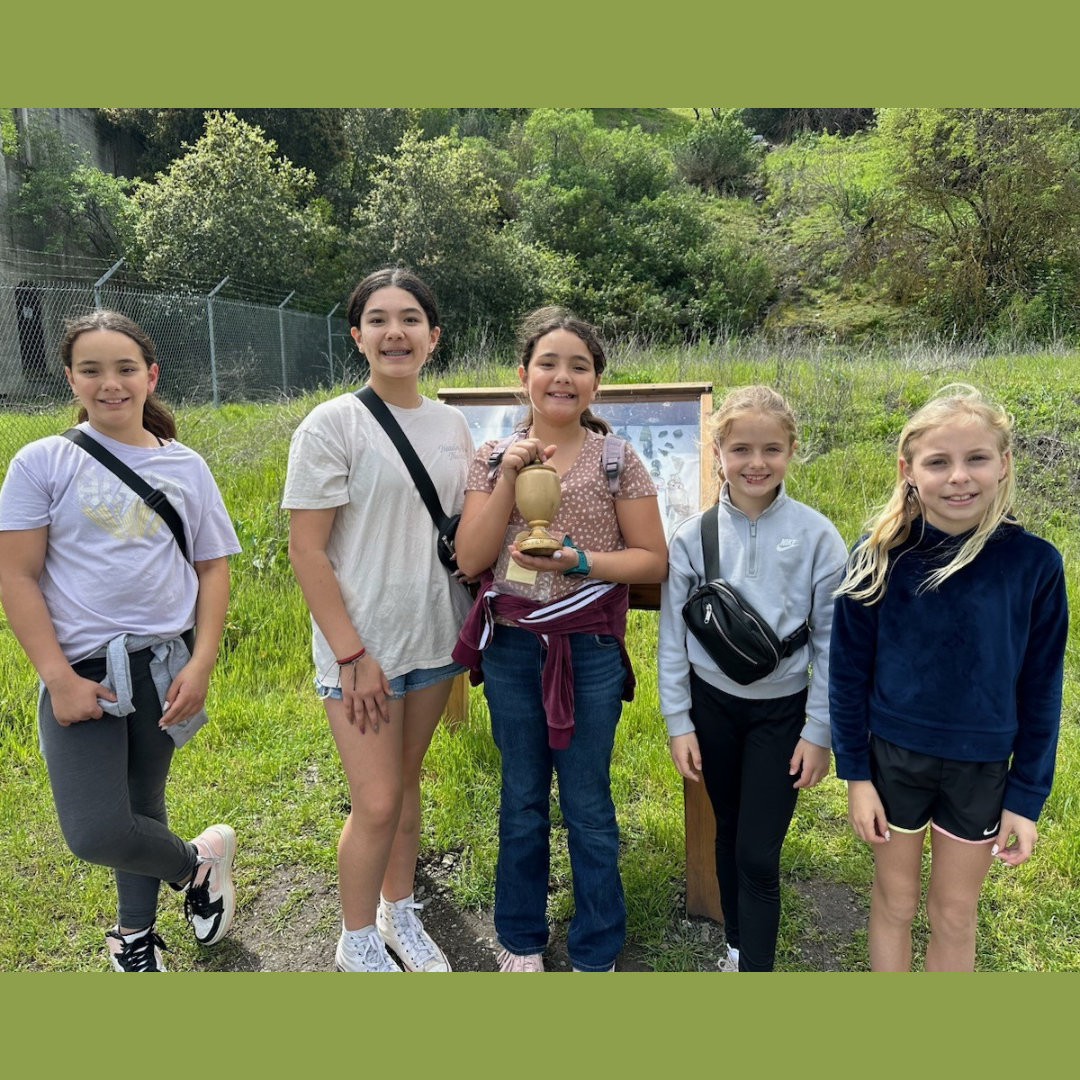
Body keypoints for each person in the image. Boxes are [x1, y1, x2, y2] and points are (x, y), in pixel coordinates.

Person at [0, 311, 241, 973]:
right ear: (72, 379)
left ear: (151, 375)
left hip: (164, 666)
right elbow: (15, 573)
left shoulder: (184, 466)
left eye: (125, 368)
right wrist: (57, 677)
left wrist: (202, 660)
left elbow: (212, 566)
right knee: (96, 831)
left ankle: (134, 937)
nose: (111, 383)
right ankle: (197, 865)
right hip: (82, 671)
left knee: (141, 803)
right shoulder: (41, 462)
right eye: (92, 370)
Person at [453, 307, 667, 973]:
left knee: (587, 803)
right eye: (549, 363)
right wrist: (511, 475)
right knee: (520, 799)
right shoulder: (490, 458)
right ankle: (520, 938)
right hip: (512, 648)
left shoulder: (616, 460)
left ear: (596, 383)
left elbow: (652, 561)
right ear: (523, 376)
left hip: (589, 652)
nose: (562, 376)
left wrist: (581, 563)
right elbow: (472, 557)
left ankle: (596, 945)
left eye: (579, 365)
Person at [830, 383, 1067, 972]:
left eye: (976, 458)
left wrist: (1027, 797)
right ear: (909, 471)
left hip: (982, 767)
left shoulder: (1035, 564)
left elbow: (1042, 688)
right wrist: (857, 775)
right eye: (939, 462)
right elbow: (847, 673)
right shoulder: (879, 553)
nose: (959, 477)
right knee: (895, 902)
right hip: (894, 761)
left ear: (1004, 463)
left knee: (954, 914)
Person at [283, 268, 472, 973]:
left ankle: (401, 913)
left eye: (412, 318)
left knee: (407, 783)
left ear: (433, 335)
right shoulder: (332, 424)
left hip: (432, 638)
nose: (397, 331)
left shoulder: (452, 422)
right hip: (361, 649)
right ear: (357, 335)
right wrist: (350, 652)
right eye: (380, 319)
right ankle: (356, 937)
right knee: (378, 797)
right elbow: (306, 551)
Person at [657, 385, 848, 972]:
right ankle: (738, 948)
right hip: (711, 707)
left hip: (782, 714)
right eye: (741, 449)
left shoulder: (818, 537)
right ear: (718, 452)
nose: (756, 463)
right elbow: (673, 637)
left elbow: (831, 643)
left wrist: (819, 731)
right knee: (728, 829)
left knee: (758, 854)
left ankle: (757, 971)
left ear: (792, 450)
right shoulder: (693, 537)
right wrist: (677, 722)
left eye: (771, 448)